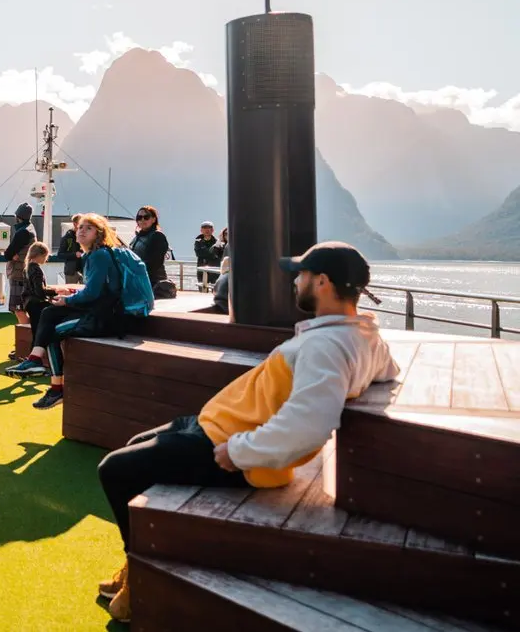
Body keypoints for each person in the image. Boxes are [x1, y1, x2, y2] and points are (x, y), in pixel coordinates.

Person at [94, 241, 398, 622]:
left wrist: (238, 452)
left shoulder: (328, 345)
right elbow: (388, 372)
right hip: (215, 425)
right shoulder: (361, 335)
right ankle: (135, 558)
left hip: (226, 444)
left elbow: (309, 426)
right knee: (135, 447)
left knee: (114, 469)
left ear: (322, 282)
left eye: (300, 275)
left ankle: (141, 574)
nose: (295, 283)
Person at [5, 213, 120, 409]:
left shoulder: (99, 255)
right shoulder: (91, 256)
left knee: (51, 330)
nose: (82, 230)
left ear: (99, 234)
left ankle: (56, 388)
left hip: (103, 317)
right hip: (95, 310)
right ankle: (35, 360)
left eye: (88, 228)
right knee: (49, 313)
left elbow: (93, 293)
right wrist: (67, 299)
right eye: (80, 227)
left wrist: (67, 300)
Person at [1, 203, 37, 326]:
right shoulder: (31, 229)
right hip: (26, 274)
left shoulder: (22, 232)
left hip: (18, 275)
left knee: (19, 309)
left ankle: (28, 338)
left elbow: (7, 254)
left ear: (18, 216)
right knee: (25, 309)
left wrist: (12, 255)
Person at [20, 241, 58, 352]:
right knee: (39, 332)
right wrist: (55, 291)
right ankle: (34, 356)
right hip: (36, 304)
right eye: (45, 256)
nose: (46, 259)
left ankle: (31, 356)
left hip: (29, 303)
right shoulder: (36, 269)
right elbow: (39, 291)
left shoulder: (27, 268)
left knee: (35, 330)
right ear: (40, 255)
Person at [130, 205, 173, 298]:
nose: (142, 220)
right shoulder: (137, 237)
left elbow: (155, 262)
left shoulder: (157, 236)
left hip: (154, 282)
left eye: (146, 217)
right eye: (139, 217)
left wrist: (136, 272)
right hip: (139, 280)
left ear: (153, 219)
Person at [194, 221, 221, 290]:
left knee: (215, 290)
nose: (207, 230)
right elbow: (199, 253)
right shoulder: (198, 241)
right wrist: (211, 251)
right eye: (204, 228)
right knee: (202, 289)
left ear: (212, 230)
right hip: (201, 268)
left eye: (209, 228)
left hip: (215, 269)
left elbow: (217, 254)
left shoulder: (217, 242)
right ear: (201, 230)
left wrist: (207, 252)